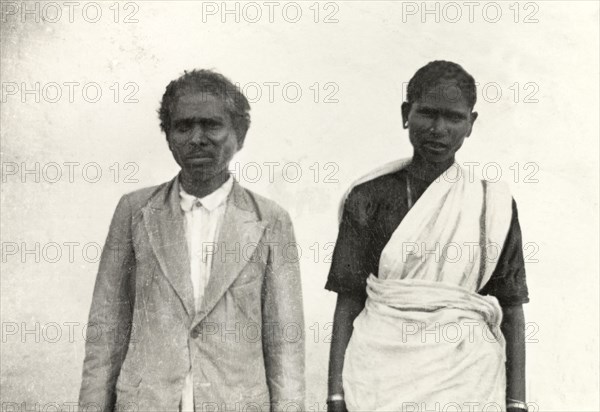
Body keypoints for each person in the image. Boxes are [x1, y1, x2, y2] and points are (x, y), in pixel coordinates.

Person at [79, 69, 305, 411]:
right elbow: (106, 329)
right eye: (183, 127)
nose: (197, 138)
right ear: (169, 136)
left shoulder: (270, 220)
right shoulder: (135, 212)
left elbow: (285, 342)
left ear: (239, 135)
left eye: (212, 125)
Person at [325, 61, 529, 412]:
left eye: (454, 118)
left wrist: (517, 402)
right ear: (406, 113)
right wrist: (335, 395)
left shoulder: (491, 204)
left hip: (466, 376)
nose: (439, 129)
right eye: (428, 114)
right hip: (378, 375)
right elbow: (348, 301)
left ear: (471, 124)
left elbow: (511, 308)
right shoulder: (368, 197)